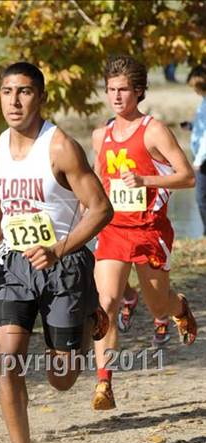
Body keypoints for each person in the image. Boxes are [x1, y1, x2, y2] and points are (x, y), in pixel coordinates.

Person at [0, 61, 113, 443]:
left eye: (24, 91)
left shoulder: (61, 147)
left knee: (61, 378)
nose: (14, 100)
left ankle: (87, 319)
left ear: (40, 97)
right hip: (14, 267)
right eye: (7, 91)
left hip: (64, 265)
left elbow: (102, 209)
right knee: (7, 363)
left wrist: (59, 249)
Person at [92, 55, 197, 411]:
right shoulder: (100, 135)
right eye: (111, 90)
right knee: (105, 302)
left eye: (123, 90)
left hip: (150, 230)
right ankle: (104, 382)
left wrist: (145, 179)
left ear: (138, 92)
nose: (117, 97)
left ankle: (179, 307)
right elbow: (96, 184)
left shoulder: (153, 130)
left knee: (158, 305)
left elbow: (188, 176)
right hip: (113, 230)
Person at [187, 64, 206, 236]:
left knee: (201, 198)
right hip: (201, 157)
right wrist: (191, 126)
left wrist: (198, 161)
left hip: (204, 160)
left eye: (195, 87)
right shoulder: (203, 102)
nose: (194, 91)